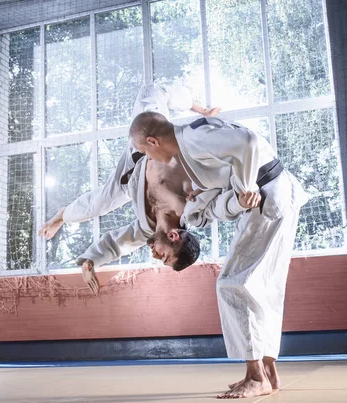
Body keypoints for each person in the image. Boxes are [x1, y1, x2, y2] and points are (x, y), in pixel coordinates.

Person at [129, 111, 309, 399]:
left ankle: (256, 376)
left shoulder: (190, 136)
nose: (146, 158)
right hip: (272, 194)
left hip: (266, 191)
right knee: (262, 288)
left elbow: (249, 141)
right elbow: (219, 204)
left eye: (143, 151)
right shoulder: (190, 148)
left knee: (232, 283)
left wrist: (246, 186)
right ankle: (267, 371)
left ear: (153, 141)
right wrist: (235, 196)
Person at [38, 84, 220, 294]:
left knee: (99, 204)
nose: (155, 256)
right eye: (164, 256)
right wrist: (204, 114)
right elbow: (215, 177)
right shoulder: (191, 205)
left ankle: (62, 215)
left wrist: (91, 260)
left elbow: (118, 243)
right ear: (173, 237)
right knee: (152, 92)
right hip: (151, 145)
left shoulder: (148, 228)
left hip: (130, 179)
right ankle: (199, 107)